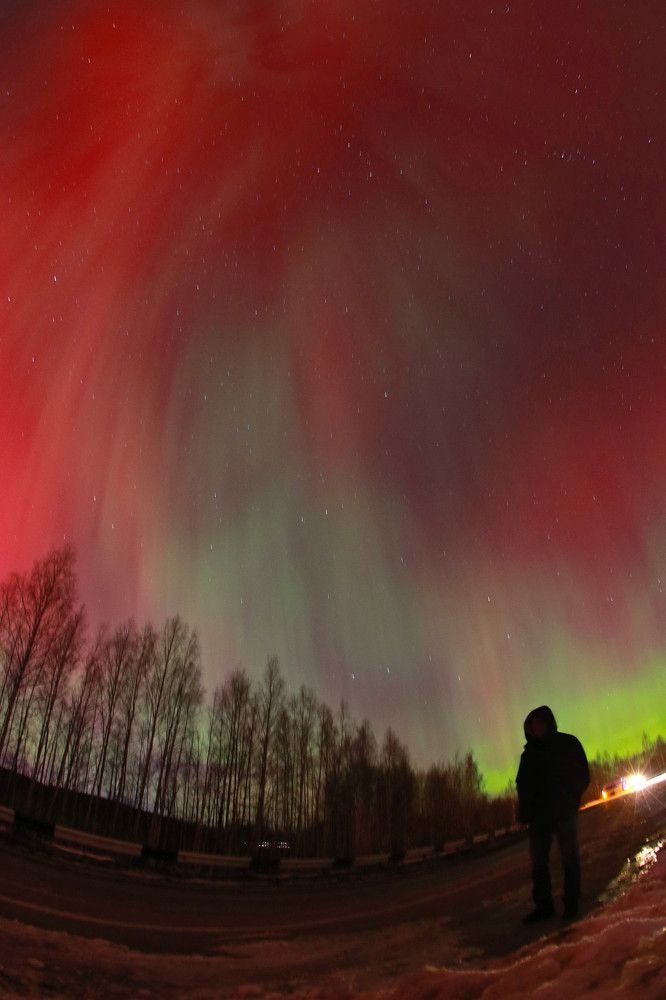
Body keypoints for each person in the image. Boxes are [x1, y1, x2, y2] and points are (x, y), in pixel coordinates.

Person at [516, 705, 589, 923]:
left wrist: (571, 800)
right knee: (538, 863)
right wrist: (524, 813)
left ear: (548, 723)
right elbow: (523, 785)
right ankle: (544, 907)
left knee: (569, 858)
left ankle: (572, 904)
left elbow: (582, 773)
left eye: (540, 723)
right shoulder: (528, 756)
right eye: (533, 725)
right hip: (539, 819)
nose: (537, 728)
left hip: (563, 813)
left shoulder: (567, 743)